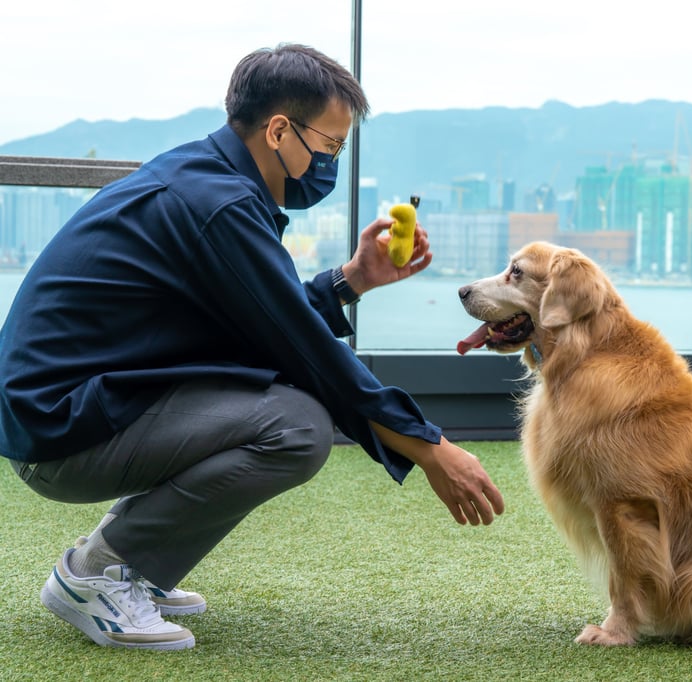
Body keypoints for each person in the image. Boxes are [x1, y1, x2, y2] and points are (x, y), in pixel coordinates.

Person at [0, 43, 505, 651]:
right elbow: (307, 352)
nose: (332, 162)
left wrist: (352, 280)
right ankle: (97, 573)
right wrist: (432, 447)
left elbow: (261, 320)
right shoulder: (220, 203)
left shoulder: (202, 177)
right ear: (278, 130)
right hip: (60, 432)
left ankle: (133, 561)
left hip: (66, 411)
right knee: (296, 426)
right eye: (331, 146)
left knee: (279, 398)